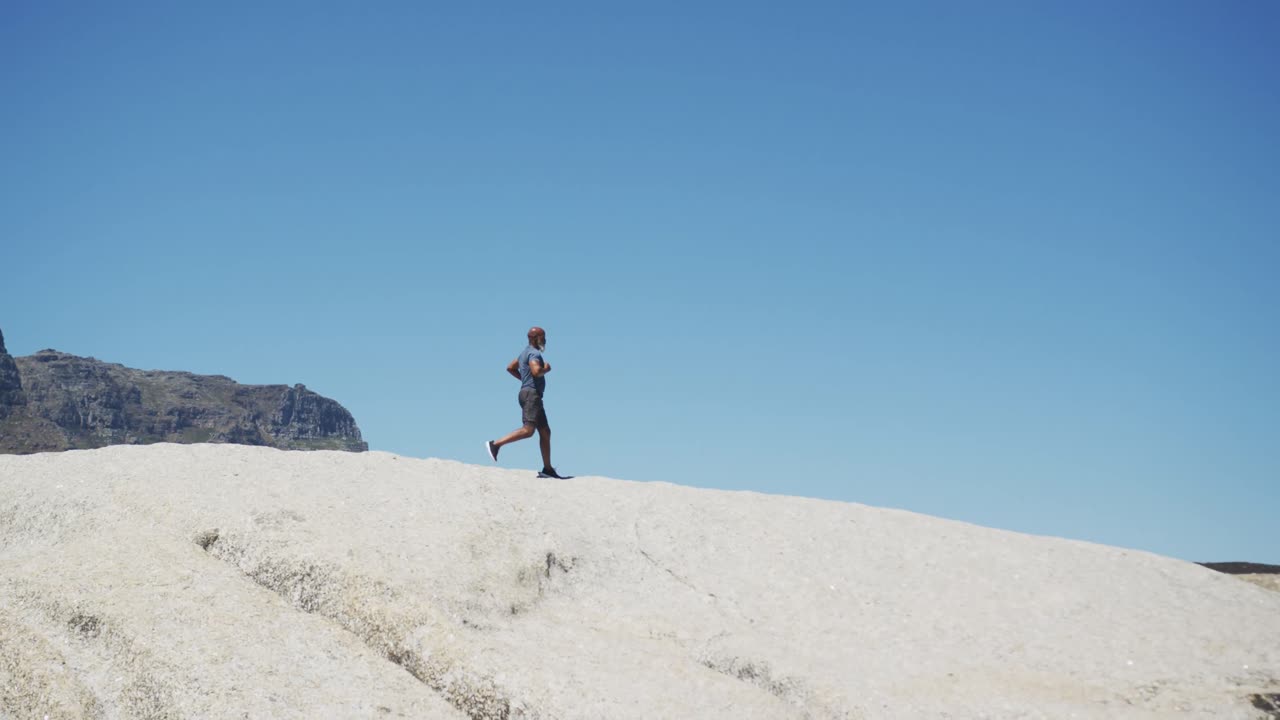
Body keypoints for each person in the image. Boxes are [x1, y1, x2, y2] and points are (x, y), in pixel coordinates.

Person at [486, 326, 563, 478]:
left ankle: (548, 469)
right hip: (531, 396)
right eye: (543, 337)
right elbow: (536, 371)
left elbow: (510, 367)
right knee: (528, 430)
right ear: (536, 338)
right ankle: (495, 444)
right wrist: (546, 369)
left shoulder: (524, 353)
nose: (545, 340)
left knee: (545, 432)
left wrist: (524, 379)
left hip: (531, 395)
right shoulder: (534, 354)